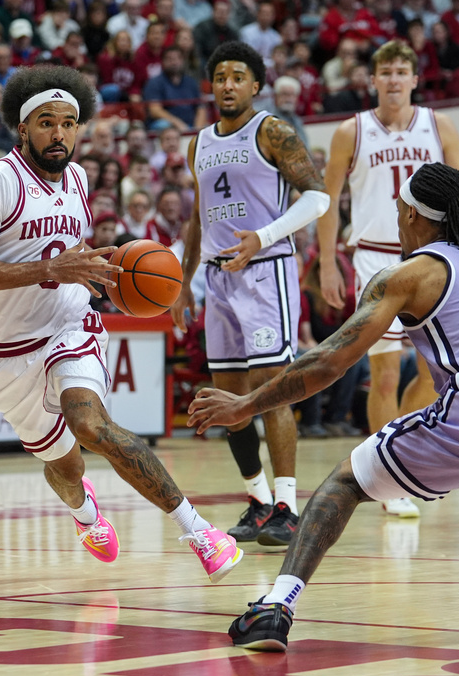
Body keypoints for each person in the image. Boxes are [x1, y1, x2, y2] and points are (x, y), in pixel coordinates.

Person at [188, 162, 459, 652]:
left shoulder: (412, 274)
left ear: (414, 216)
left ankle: (275, 607)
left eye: (399, 212)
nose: (398, 223)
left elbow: (327, 363)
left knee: (343, 483)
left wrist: (246, 404)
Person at [0, 64, 243, 583]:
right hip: (5, 351)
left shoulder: (80, 179)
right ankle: (85, 514)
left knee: (91, 425)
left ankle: (200, 532)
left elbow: (64, 252)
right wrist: (51, 267)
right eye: (46, 122)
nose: (58, 132)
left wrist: (97, 268)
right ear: (23, 128)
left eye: (68, 122)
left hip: (69, 326)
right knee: (66, 467)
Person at [171, 42, 329, 547]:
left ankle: (287, 506)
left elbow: (319, 197)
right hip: (217, 279)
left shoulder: (273, 131)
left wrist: (264, 236)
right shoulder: (198, 142)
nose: (228, 84)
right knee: (227, 397)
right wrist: (182, 282)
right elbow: (198, 219)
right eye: (220, 76)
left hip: (265, 271)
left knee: (271, 386)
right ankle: (258, 501)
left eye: (238, 76)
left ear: (256, 85)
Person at [316, 40, 459, 519]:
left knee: (431, 373)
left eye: (403, 71)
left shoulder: (438, 126)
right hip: (374, 260)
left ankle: (397, 456)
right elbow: (329, 202)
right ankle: (387, 482)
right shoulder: (350, 131)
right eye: (388, 72)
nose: (395, 79)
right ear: (374, 80)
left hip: (432, 260)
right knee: (382, 373)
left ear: (415, 78)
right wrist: (325, 262)